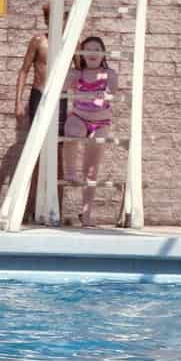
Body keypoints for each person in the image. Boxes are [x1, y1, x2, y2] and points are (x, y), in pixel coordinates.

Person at [14, 3, 67, 218]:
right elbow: (24, 70)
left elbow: (83, 69)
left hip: (60, 99)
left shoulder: (70, 42)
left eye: (60, 18)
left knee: (58, 154)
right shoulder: (38, 41)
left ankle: (57, 211)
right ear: (46, 20)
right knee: (34, 151)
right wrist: (18, 102)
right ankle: (29, 208)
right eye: (51, 18)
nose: (56, 22)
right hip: (39, 94)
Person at [63, 34, 118, 228]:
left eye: (96, 49)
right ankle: (70, 171)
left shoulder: (109, 73)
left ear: (103, 53)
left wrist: (103, 95)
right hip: (79, 116)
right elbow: (59, 85)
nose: (92, 53)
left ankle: (86, 214)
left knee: (92, 171)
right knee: (71, 134)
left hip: (100, 122)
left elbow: (110, 93)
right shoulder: (77, 74)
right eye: (88, 49)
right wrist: (69, 70)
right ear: (82, 54)